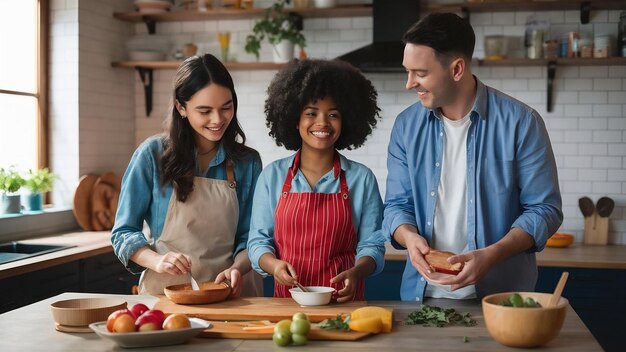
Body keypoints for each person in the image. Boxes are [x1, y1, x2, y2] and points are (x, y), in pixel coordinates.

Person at [383, 13, 562, 302]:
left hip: (501, 300)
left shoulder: (522, 123)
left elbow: (544, 209)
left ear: (456, 69)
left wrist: (492, 255)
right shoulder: (406, 127)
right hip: (421, 297)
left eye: (420, 73)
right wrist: (408, 237)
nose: (409, 83)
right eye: (407, 71)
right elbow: (396, 206)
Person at [111, 54, 263, 296]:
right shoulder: (152, 155)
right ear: (181, 108)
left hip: (231, 292)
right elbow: (123, 232)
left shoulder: (247, 162)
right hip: (167, 294)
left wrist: (238, 267)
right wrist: (157, 261)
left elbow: (251, 236)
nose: (217, 120)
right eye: (205, 111)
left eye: (226, 108)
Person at [247, 59, 385, 302]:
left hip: (344, 306)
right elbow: (258, 242)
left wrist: (357, 272)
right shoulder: (273, 176)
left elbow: (373, 245)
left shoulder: (361, 179)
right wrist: (273, 266)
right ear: (294, 118)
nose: (322, 122)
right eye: (311, 113)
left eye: (333, 114)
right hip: (287, 307)